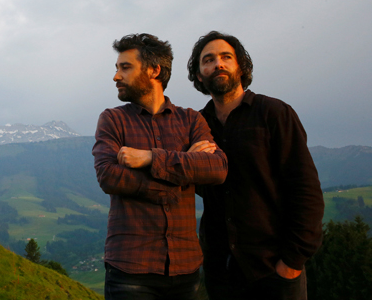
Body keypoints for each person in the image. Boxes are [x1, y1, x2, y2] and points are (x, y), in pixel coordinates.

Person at [187, 31, 324, 300]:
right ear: (200, 75)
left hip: (275, 271)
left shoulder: (274, 113)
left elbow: (305, 189)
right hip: (221, 273)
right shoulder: (196, 125)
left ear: (241, 66)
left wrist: (292, 263)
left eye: (226, 57)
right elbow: (200, 188)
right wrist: (190, 162)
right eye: (208, 60)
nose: (218, 64)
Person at [93, 33, 228, 300]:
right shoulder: (112, 120)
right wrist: (181, 172)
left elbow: (217, 168)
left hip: (186, 270)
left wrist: (150, 158)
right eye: (117, 68)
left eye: (125, 67)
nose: (116, 76)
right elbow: (109, 176)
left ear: (154, 70)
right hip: (130, 269)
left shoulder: (191, 120)